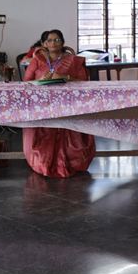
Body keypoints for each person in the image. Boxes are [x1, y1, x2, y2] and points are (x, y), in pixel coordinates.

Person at [22, 30, 96, 178]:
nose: (53, 43)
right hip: (42, 107)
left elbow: (83, 82)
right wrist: (41, 79)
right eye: (49, 40)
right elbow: (26, 82)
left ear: (62, 42)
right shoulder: (37, 60)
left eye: (57, 40)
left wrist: (65, 77)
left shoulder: (73, 60)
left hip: (68, 106)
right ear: (44, 44)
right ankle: (43, 161)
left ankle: (71, 160)